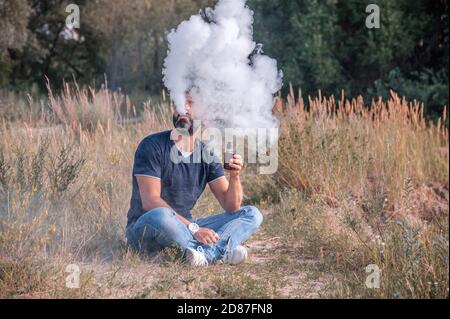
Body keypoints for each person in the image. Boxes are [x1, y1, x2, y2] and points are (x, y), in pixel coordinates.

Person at [125, 94, 263, 266]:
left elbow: (231, 206)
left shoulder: (206, 154)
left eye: (190, 102)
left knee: (251, 214)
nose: (184, 108)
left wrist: (235, 176)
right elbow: (150, 201)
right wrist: (194, 229)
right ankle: (220, 251)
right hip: (147, 227)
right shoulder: (151, 145)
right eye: (180, 102)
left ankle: (206, 253)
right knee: (161, 215)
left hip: (186, 227)